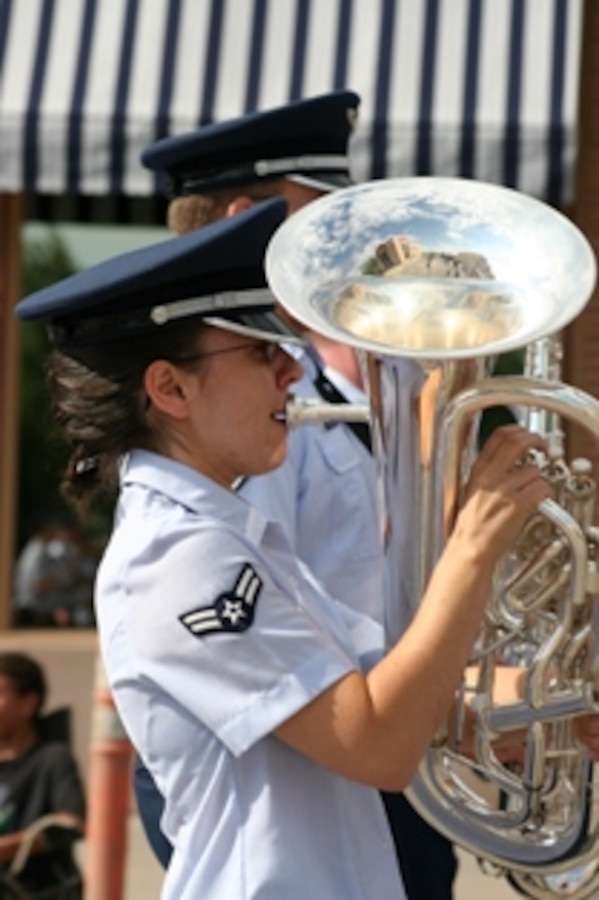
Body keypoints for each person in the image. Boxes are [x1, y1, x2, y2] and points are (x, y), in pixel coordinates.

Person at [17, 197, 597, 900]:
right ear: (170, 388)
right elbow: (376, 743)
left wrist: (553, 709)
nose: (292, 372)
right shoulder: (175, 559)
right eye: (261, 352)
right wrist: (472, 544)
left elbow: (394, 689)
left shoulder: (227, 536)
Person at [139, 91, 452, 896]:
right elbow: (284, 601)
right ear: (251, 217)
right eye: (326, 214)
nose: (350, 239)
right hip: (306, 743)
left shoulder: (318, 374)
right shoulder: (235, 405)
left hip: (361, 726)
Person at [0, 652, 86, 895]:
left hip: (32, 889)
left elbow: (71, 824)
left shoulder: (52, 759)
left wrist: (10, 847)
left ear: (28, 703)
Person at [13, 514, 98, 628]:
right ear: (44, 529)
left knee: (80, 594)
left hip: (38, 596)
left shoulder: (39, 546)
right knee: (81, 597)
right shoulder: (36, 552)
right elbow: (37, 586)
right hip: (32, 601)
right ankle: (82, 626)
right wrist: (63, 580)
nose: (55, 530)